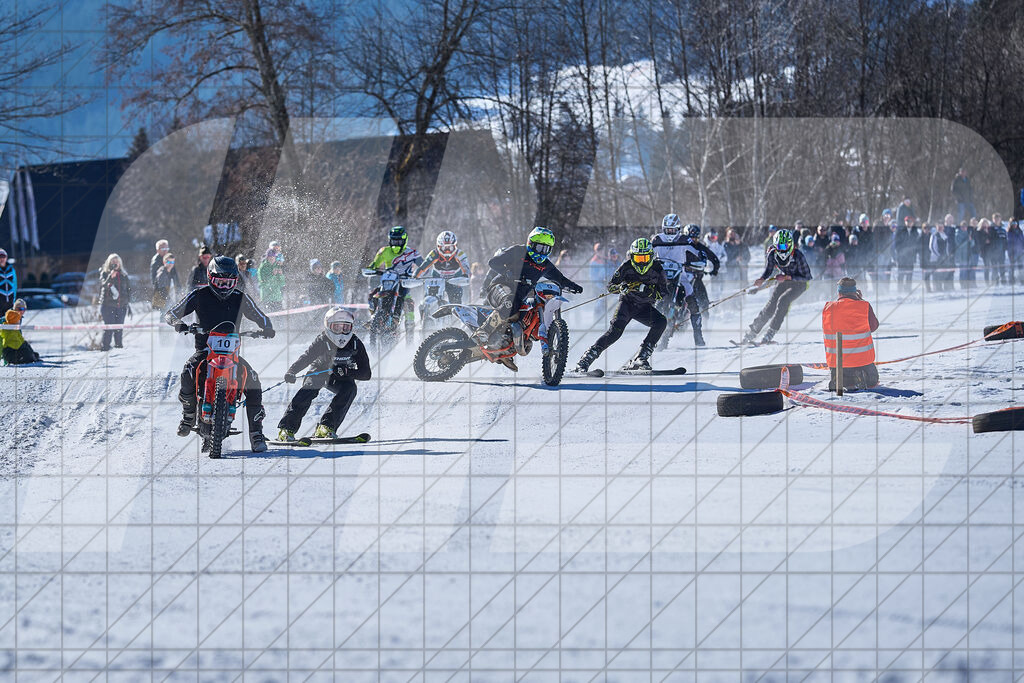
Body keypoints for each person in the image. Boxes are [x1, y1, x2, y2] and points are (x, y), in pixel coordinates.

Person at [165, 255, 275, 452]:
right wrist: (178, 323)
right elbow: (172, 313)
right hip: (206, 352)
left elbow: (261, 317)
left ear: (235, 281)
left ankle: (256, 433)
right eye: (219, 282)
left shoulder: (240, 297)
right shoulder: (199, 295)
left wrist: (267, 327)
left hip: (231, 354)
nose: (224, 287)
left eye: (229, 282)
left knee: (253, 380)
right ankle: (189, 415)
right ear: (210, 278)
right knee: (188, 372)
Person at [474, 227, 583, 364]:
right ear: (530, 244)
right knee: (510, 302)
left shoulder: (545, 265)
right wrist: (508, 272)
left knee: (528, 315)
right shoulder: (518, 251)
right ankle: (483, 331)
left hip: (520, 296)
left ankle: (507, 345)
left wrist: (574, 287)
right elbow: (493, 262)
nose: (541, 252)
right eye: (539, 248)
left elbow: (560, 279)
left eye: (546, 249)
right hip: (500, 287)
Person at [574, 238, 668, 373]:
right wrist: (620, 287)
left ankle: (641, 357)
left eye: (645, 258)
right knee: (615, 332)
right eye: (638, 258)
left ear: (651, 257)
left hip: (644, 307)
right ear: (632, 256)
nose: (642, 262)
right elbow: (610, 286)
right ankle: (585, 360)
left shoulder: (657, 268)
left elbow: (664, 292)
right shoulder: (626, 266)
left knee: (661, 322)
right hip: (627, 304)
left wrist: (651, 292)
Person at [276, 307, 371, 441]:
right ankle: (286, 429)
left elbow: (366, 373)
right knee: (309, 389)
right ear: (328, 326)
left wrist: (347, 372)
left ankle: (326, 427)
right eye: (337, 328)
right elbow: (307, 357)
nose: (342, 332)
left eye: (346, 327)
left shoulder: (355, 343)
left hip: (341, 377)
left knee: (350, 389)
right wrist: (292, 371)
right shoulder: (322, 340)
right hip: (319, 372)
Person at [738, 229, 812, 345]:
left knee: (783, 301)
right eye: (779, 245)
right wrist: (762, 279)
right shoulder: (772, 254)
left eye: (784, 245)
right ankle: (752, 333)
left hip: (799, 283)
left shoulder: (798, 255)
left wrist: (787, 277)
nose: (782, 248)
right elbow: (769, 269)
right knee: (770, 305)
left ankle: (770, 332)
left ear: (790, 244)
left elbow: (807, 277)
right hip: (783, 281)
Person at [650, 216, 706, 346]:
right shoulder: (657, 239)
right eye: (667, 230)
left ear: (678, 229)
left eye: (672, 230)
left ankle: (698, 335)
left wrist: (701, 258)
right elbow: (648, 252)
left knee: (692, 300)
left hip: (681, 274)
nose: (670, 233)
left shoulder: (684, 239)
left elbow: (696, 251)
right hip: (662, 274)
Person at [822, 277, 880, 391]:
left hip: (836, 364)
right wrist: (860, 300)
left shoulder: (828, 308)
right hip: (862, 361)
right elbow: (874, 326)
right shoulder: (864, 306)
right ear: (855, 291)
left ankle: (838, 378)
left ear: (839, 292)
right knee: (873, 380)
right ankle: (858, 376)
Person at [367, 225, 422, 335]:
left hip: (404, 282)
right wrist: (370, 270)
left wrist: (419, 275)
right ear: (389, 240)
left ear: (404, 241)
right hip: (388, 281)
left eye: (398, 242)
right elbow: (374, 265)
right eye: (393, 241)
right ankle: (373, 317)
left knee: (408, 302)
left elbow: (423, 265)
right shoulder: (383, 251)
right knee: (372, 294)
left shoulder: (412, 253)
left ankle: (409, 331)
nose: (396, 244)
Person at [415, 230, 471, 304]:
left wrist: (466, 275)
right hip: (437, 281)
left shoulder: (459, 254)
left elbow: (466, 267)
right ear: (438, 246)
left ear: (455, 246)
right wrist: (415, 276)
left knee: (456, 299)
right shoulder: (434, 253)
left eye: (450, 248)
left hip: (454, 281)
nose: (447, 251)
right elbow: (423, 267)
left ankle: (455, 312)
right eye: (444, 248)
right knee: (428, 298)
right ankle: (427, 311)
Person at [97, 253, 132, 351]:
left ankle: (119, 350)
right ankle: (105, 350)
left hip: (121, 306)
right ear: (109, 263)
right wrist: (110, 277)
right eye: (113, 262)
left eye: (117, 262)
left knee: (119, 329)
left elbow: (129, 289)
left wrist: (127, 303)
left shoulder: (124, 274)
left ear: (120, 263)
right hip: (108, 305)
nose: (115, 263)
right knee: (109, 329)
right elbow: (103, 286)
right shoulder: (104, 273)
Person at [1, 299, 40, 365]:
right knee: (25, 352)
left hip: (15, 345)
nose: (22, 311)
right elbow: (4, 339)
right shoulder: (9, 318)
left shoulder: (18, 317)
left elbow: (18, 334)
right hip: (10, 349)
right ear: (15, 308)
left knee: (30, 352)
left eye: (24, 309)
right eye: (20, 308)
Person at [893, 215, 920, 291]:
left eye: (910, 221)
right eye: (907, 221)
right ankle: (900, 289)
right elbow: (896, 244)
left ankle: (908, 289)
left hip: (911, 257)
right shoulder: (900, 231)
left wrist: (914, 253)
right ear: (905, 222)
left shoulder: (915, 231)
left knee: (909, 274)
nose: (909, 223)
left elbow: (917, 244)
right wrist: (901, 253)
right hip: (902, 257)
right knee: (901, 275)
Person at [0, 248, 16, 316]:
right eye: (0, 257)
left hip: (10, 300)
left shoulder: (11, 269)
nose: (2, 259)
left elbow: (15, 284)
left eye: (3, 257)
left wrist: (14, 298)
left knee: (10, 322)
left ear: (6, 258)